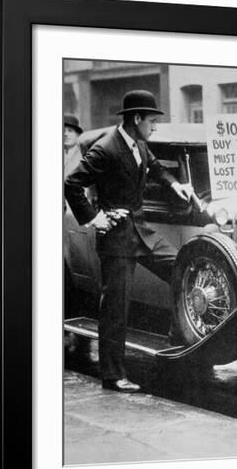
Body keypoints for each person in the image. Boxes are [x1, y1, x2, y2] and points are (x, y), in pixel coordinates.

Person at [65, 90, 193, 392]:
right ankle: (112, 376)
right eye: (152, 120)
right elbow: (72, 183)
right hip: (117, 240)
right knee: (115, 309)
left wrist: (177, 186)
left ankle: (177, 343)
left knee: (183, 270)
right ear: (137, 119)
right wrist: (94, 217)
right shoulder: (106, 148)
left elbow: (156, 168)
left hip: (141, 233)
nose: (155, 126)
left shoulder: (139, 144)